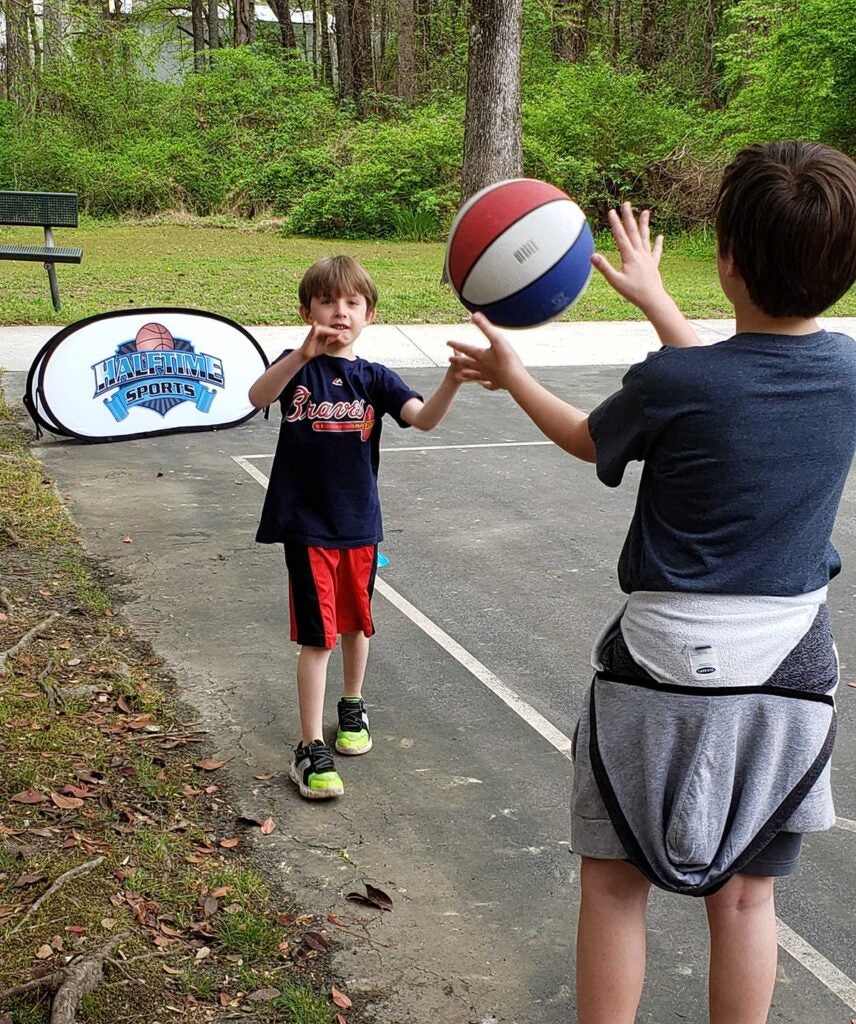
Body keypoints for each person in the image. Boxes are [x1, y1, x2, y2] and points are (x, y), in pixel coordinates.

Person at [448, 141, 856, 1024]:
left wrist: (515, 374)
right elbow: (742, 384)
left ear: (729, 259)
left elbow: (592, 438)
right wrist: (660, 304)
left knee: (612, 888)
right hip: (785, 676)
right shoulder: (849, 375)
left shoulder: (675, 380)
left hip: (658, 671)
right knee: (747, 900)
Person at [249, 255, 464, 800]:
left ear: (370, 314)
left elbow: (423, 418)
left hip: (359, 526)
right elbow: (259, 397)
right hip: (306, 526)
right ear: (307, 310)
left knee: (356, 625)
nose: (339, 312)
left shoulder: (375, 379)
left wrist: (453, 380)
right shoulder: (296, 366)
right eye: (327, 301)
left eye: (352, 303)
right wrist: (302, 352)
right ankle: (308, 746)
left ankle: (351, 707)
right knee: (318, 636)